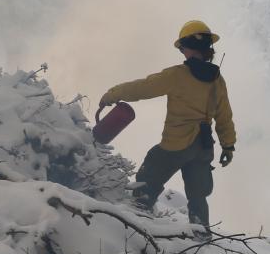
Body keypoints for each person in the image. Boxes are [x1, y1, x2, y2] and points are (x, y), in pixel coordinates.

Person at [99, 20, 236, 229]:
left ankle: (138, 222)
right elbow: (224, 116)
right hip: (203, 148)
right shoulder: (218, 80)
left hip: (176, 144)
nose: (182, 52)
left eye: (182, 47)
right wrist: (228, 145)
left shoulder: (177, 75)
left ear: (187, 47)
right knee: (198, 197)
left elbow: (143, 88)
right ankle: (201, 236)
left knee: (149, 174)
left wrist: (113, 94)